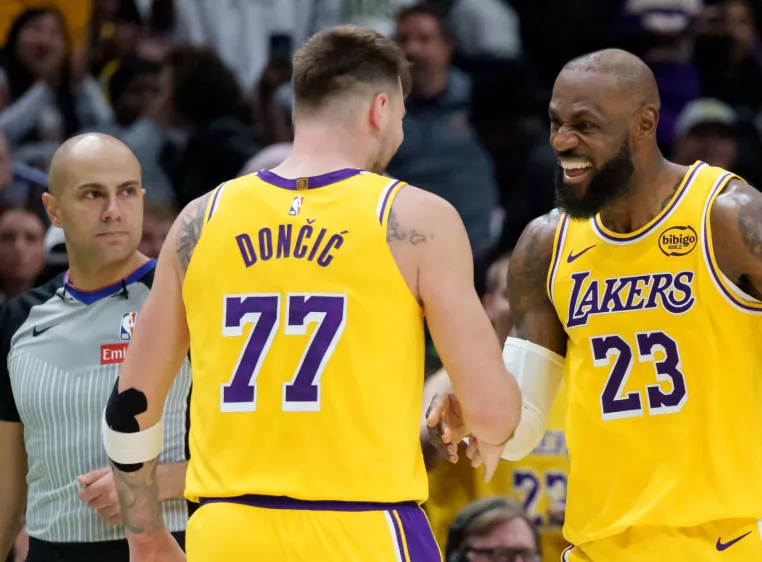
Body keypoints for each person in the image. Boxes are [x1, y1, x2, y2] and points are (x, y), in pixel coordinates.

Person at [430, 49, 762, 561]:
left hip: (728, 538)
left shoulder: (729, 219)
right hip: (600, 542)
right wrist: (479, 409)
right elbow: (525, 422)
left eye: (585, 125)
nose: (564, 141)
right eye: (556, 123)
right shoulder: (546, 244)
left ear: (644, 124)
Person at [99, 25, 522, 562]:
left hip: (228, 529)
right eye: (402, 118)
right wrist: (478, 408)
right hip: (362, 527)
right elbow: (491, 414)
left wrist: (145, 535)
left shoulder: (200, 221)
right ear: (380, 108)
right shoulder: (415, 217)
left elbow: (131, 405)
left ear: (299, 111)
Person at [0, 134, 190, 561]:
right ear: (54, 210)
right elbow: (7, 490)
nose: (112, 210)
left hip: (170, 546)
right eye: (92, 194)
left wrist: (152, 481)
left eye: (126, 192)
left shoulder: (187, 302)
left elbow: (249, 456)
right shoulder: (18, 321)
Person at [422, 254, 570, 562]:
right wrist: (444, 426)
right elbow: (417, 447)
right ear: (487, 305)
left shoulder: (576, 384)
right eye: (511, 294)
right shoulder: (454, 377)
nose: (527, 306)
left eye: (541, 298)